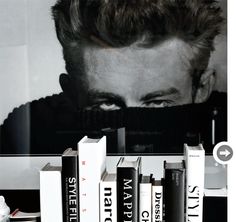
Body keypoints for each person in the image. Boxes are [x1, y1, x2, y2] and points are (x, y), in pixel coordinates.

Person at [0, 0, 226, 154]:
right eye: (107, 103)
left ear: (202, 88)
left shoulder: (227, 131)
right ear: (71, 93)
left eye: (158, 102)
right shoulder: (32, 134)